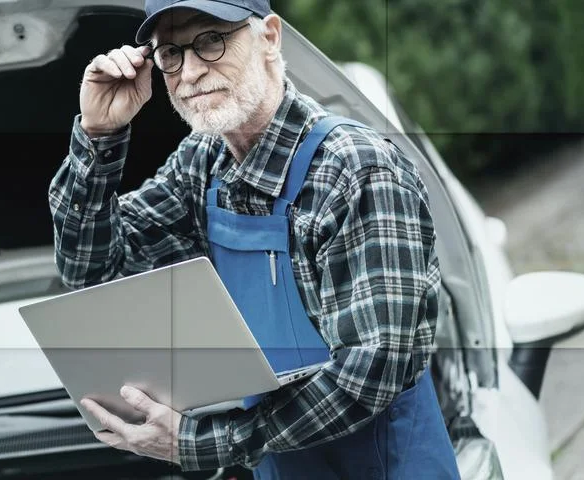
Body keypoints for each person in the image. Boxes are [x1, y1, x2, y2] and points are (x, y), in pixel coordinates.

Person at [47, 0, 460, 478]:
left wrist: (202, 443)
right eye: (171, 54)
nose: (192, 71)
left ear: (269, 36)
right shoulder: (203, 165)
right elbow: (94, 273)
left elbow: (371, 371)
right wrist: (100, 137)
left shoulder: (357, 170)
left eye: (210, 40)